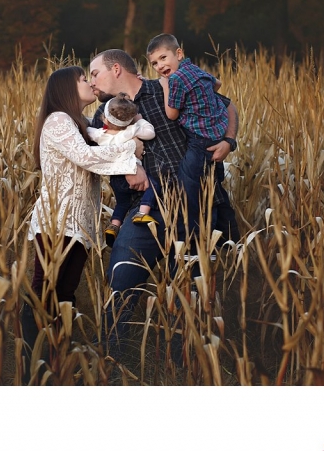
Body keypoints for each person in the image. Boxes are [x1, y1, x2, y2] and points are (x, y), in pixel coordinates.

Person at [88, 48, 240, 357]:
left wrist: (229, 140)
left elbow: (227, 105)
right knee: (122, 275)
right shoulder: (104, 112)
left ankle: (185, 359)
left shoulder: (168, 88)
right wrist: (129, 166)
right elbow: (94, 153)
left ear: (116, 70)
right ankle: (110, 358)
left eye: (95, 73)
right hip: (145, 209)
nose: (92, 81)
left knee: (190, 288)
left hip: (194, 206)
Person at [20, 65, 147, 382]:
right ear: (65, 88)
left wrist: (128, 143)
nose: (90, 82)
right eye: (82, 79)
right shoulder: (59, 120)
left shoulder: (79, 123)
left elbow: (102, 147)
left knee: (63, 293)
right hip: (57, 221)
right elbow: (88, 158)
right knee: (45, 291)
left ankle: (53, 360)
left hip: (76, 223)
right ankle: (32, 364)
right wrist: (131, 158)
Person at [147, 33, 237, 237]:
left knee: (189, 189)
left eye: (163, 58)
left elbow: (171, 114)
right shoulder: (193, 69)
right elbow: (218, 83)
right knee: (212, 186)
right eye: (154, 63)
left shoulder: (175, 79)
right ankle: (227, 239)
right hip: (216, 134)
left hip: (199, 141)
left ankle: (200, 237)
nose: (160, 67)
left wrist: (165, 86)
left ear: (178, 53)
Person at [85, 92, 159, 247]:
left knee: (121, 203)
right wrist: (140, 120)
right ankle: (142, 213)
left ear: (105, 118)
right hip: (131, 171)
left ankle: (114, 225)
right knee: (153, 185)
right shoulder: (130, 131)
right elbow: (150, 133)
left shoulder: (100, 134)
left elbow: (87, 131)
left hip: (116, 178)